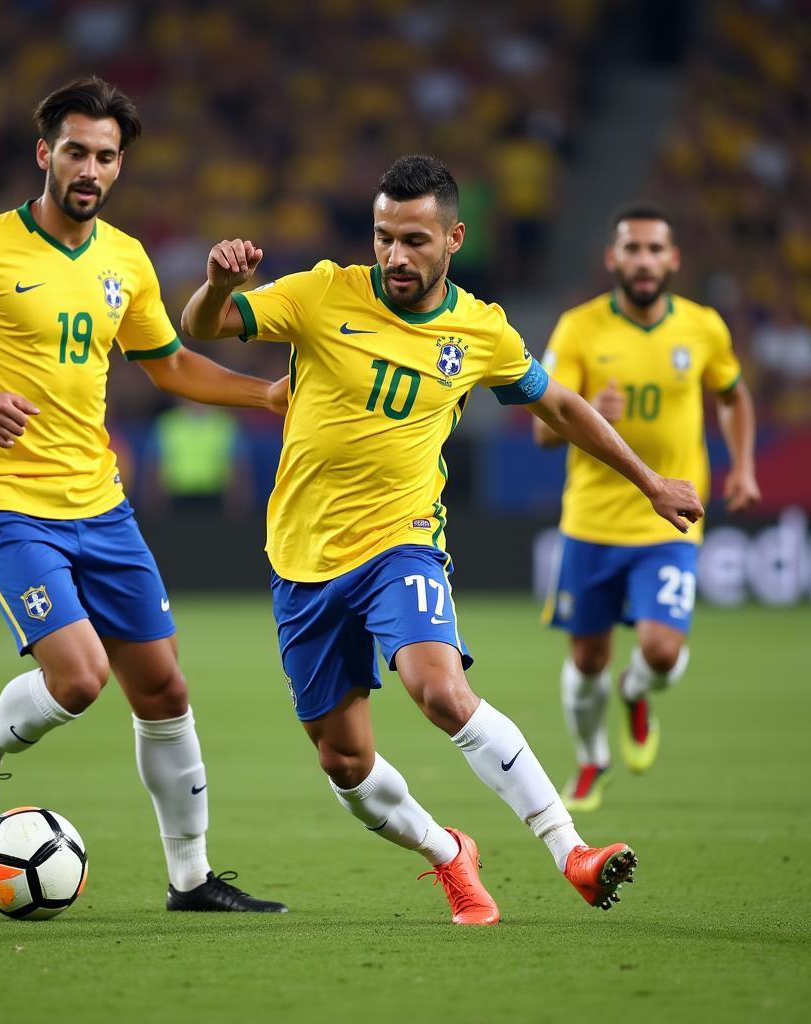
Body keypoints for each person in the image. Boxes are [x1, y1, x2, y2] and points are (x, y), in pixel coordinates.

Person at [180, 155, 705, 924]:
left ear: (455, 238)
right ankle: (448, 853)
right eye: (384, 237)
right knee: (344, 761)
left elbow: (557, 404)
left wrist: (649, 480)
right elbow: (203, 325)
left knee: (439, 688)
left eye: (416, 240)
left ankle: (572, 852)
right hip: (301, 559)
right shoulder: (325, 291)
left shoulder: (480, 329)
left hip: (401, 542)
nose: (396, 255)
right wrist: (220, 282)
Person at [0, 76, 287, 914]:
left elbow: (168, 362)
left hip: (101, 504)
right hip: (6, 501)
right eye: (75, 151)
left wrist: (265, 395)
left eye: (105, 155)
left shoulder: (126, 260)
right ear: (44, 154)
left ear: (119, 164)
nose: (89, 168)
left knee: (165, 691)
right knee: (81, 677)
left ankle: (191, 880)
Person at [533, 202, 760, 811]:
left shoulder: (703, 327)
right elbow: (543, 430)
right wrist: (589, 411)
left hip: (670, 518)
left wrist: (742, 466)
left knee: (661, 651)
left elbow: (734, 397)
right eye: (631, 249)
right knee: (586, 659)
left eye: (654, 249)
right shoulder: (578, 328)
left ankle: (636, 693)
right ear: (612, 258)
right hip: (592, 522)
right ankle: (590, 761)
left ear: (673, 259)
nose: (643, 260)